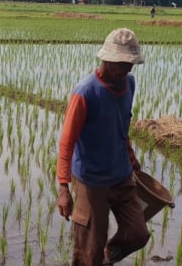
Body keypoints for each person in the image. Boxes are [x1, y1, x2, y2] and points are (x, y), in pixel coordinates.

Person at [56, 28, 149, 265]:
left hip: (121, 176)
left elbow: (121, 123)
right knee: (89, 250)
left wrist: (130, 155)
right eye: (121, 63)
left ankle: (106, 258)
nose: (126, 69)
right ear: (106, 59)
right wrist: (64, 188)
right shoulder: (85, 93)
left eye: (130, 64)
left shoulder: (129, 84)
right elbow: (67, 143)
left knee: (138, 234)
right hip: (91, 181)